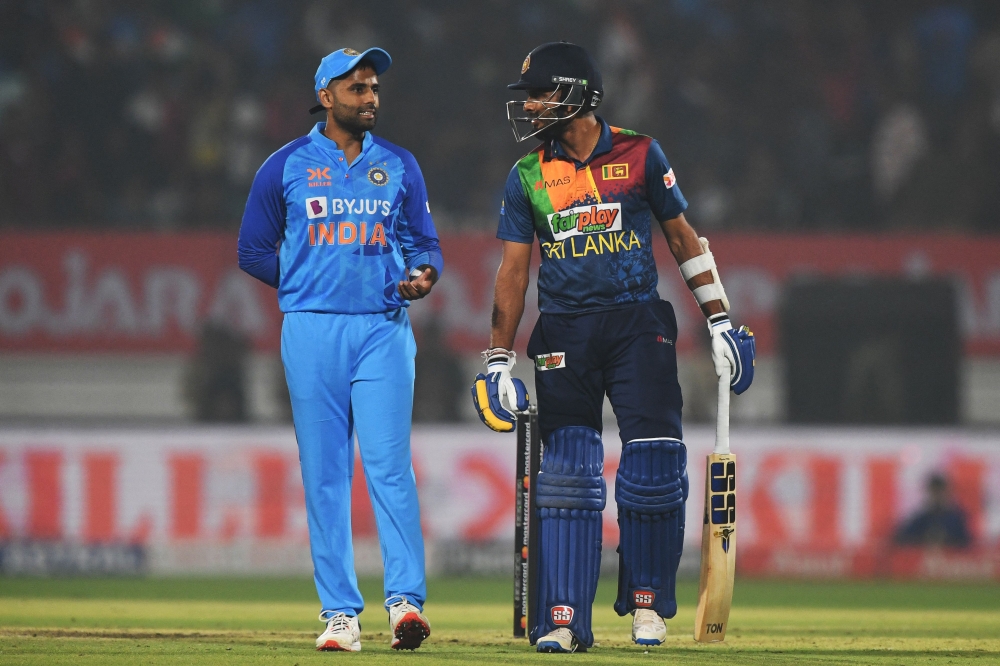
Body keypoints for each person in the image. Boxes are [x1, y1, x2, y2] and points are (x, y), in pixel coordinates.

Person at [471, 42, 755, 652]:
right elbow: (513, 274)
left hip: (637, 326)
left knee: (654, 468)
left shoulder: (641, 152)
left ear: (575, 92)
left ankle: (647, 605)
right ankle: (567, 617)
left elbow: (682, 238)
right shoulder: (527, 175)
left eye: (542, 93)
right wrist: (498, 358)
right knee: (569, 478)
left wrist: (721, 320)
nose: (532, 106)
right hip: (565, 332)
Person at [237, 47, 441, 652]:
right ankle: (340, 616)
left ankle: (405, 605)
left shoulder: (400, 165)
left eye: (374, 88)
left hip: (383, 327)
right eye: (357, 89)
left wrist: (422, 277)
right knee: (324, 473)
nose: (370, 98)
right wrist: (306, 283)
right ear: (326, 96)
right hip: (312, 329)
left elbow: (423, 245)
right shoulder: (285, 166)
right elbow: (252, 250)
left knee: (389, 467)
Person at [894, 474, 972, 548]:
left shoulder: (956, 519)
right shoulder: (922, 519)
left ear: (948, 493)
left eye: (940, 492)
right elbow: (902, 539)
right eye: (934, 492)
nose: (937, 497)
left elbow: (967, 544)